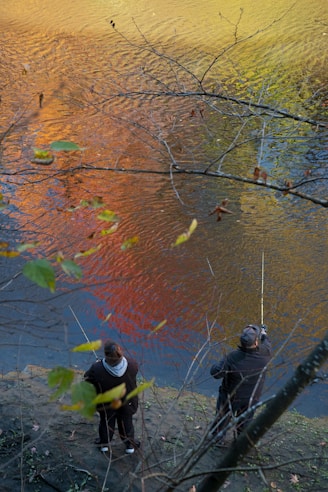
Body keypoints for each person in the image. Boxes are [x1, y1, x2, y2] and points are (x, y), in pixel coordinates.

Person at [210, 324, 272, 439]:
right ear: (256, 342)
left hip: (230, 397)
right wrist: (264, 334)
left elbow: (216, 373)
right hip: (252, 397)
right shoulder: (265, 354)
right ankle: (240, 442)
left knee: (222, 419)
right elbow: (267, 343)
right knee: (244, 423)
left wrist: (216, 365)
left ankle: (217, 440)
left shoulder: (232, 358)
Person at [84, 339, 140, 454]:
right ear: (120, 351)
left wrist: (99, 366)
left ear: (106, 354)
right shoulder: (132, 364)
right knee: (126, 423)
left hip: (107, 403)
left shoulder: (97, 368)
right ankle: (130, 446)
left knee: (106, 423)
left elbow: (87, 379)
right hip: (127, 402)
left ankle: (104, 445)